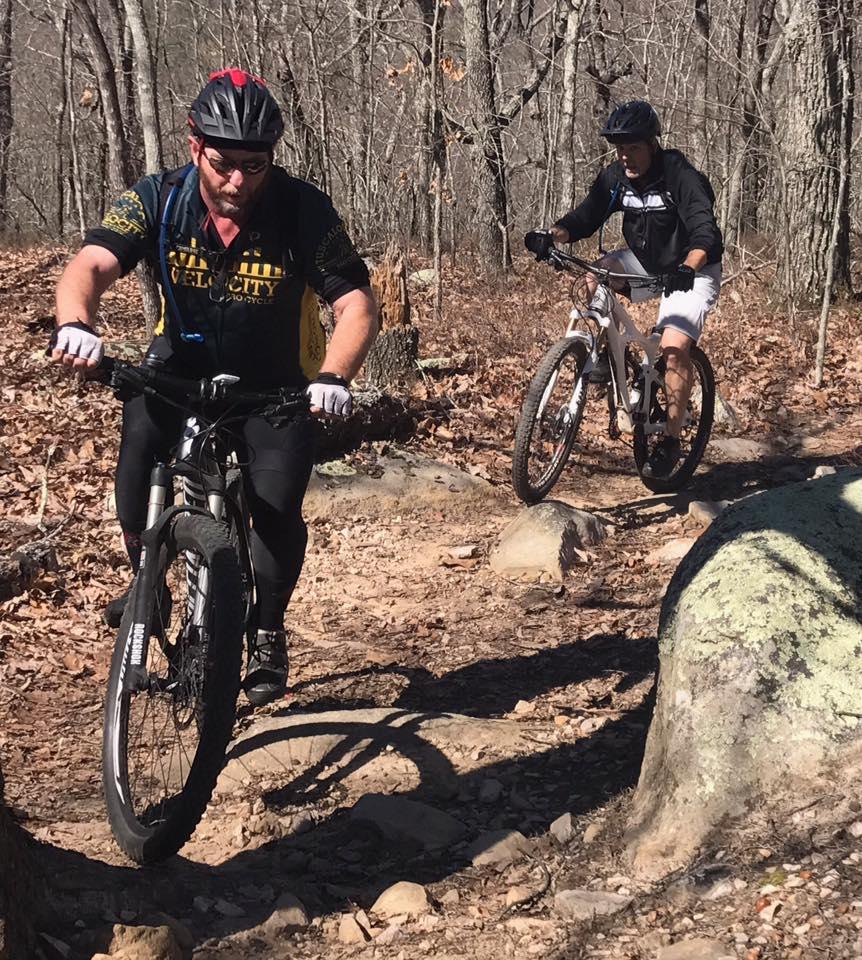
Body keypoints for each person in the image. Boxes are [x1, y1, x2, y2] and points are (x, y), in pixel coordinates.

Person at [51, 68, 378, 706]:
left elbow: (356, 304)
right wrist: (75, 324)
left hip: (273, 382)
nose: (237, 181)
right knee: (140, 447)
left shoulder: (301, 209)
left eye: (254, 167)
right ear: (196, 146)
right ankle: (151, 579)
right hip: (176, 367)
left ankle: (265, 626)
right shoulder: (160, 197)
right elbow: (89, 265)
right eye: (224, 163)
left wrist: (336, 375)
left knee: (277, 504)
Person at [526, 99, 722, 479]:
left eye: (633, 148)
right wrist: (550, 235)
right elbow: (585, 217)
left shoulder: (678, 174)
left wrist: (687, 267)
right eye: (619, 149)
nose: (625, 157)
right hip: (647, 263)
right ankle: (598, 352)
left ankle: (671, 439)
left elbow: (705, 231)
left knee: (673, 350)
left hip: (692, 268)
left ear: (652, 144)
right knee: (593, 274)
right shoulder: (615, 177)